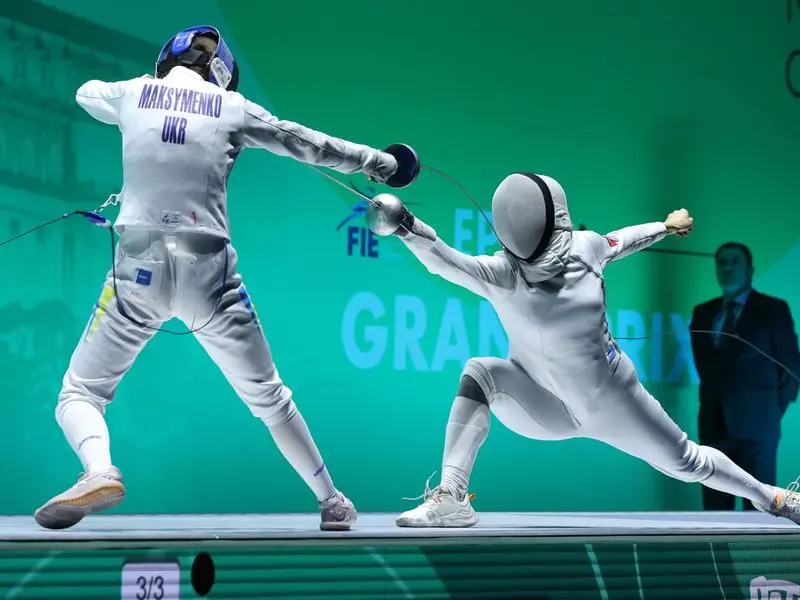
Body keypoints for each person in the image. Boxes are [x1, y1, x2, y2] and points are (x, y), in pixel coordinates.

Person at [34, 25, 407, 531]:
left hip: (137, 271)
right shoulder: (232, 107)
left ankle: (99, 470)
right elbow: (307, 143)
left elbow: (85, 93)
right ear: (222, 72)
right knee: (269, 398)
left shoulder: (132, 93)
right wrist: (380, 163)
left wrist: (145, 91)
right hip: (209, 274)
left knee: (79, 393)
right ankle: (332, 502)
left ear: (167, 58)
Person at [363, 173, 800, 527]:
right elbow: (444, 260)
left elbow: (623, 239)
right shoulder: (503, 273)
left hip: (613, 399)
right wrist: (407, 227)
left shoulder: (585, 246)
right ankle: (452, 497)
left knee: (687, 461)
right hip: (546, 404)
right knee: (481, 371)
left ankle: (773, 498)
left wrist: (665, 227)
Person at [690, 242, 800, 511]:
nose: (728, 268)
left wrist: (769, 412)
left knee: (759, 510)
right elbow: (705, 368)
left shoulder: (772, 309)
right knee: (715, 512)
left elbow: (791, 368)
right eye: (722, 262)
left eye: (735, 261)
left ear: (749, 269)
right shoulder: (703, 313)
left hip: (758, 429)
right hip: (714, 427)